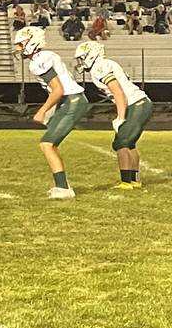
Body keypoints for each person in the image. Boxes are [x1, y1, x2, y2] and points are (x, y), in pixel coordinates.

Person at [13, 26, 87, 200]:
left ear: (32, 42)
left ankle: (63, 188)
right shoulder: (47, 56)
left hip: (71, 101)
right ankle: (62, 185)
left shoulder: (39, 61)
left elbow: (58, 90)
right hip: (71, 100)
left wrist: (43, 110)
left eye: (21, 44)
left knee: (47, 144)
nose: (18, 48)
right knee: (50, 143)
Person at [75, 41, 152, 189]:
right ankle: (134, 180)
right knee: (129, 143)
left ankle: (126, 182)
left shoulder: (99, 67)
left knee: (121, 143)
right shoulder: (105, 64)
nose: (81, 61)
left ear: (91, 54)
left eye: (82, 57)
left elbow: (118, 92)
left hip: (136, 104)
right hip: (140, 103)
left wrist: (120, 117)